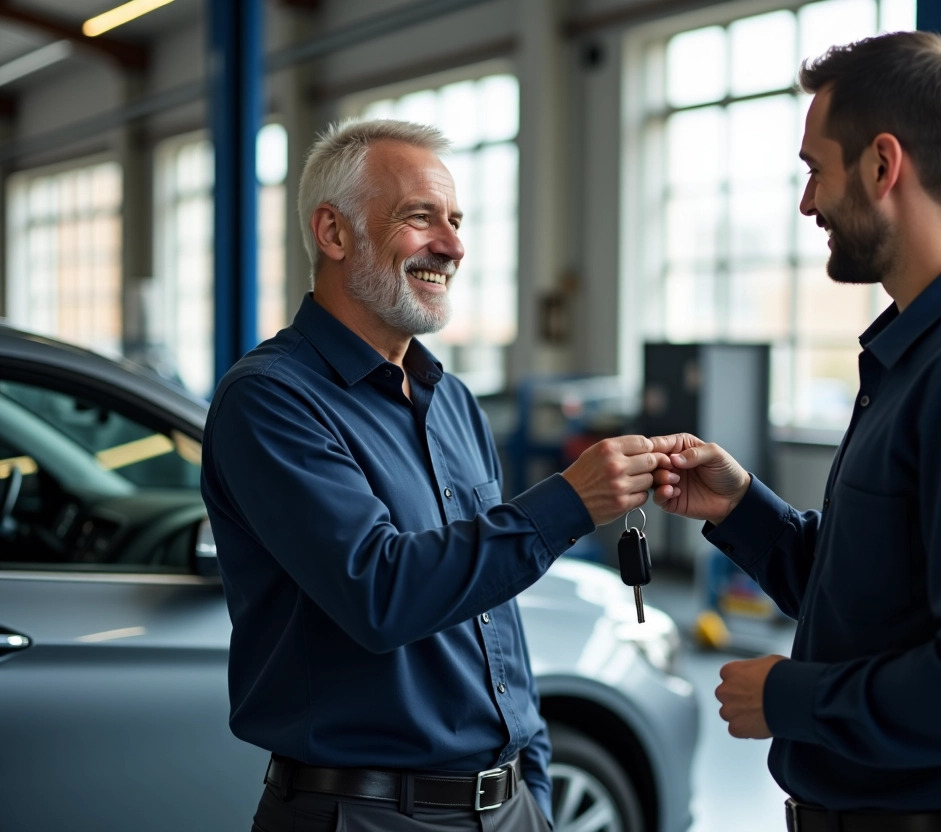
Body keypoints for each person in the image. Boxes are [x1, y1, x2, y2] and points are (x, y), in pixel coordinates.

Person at [651, 31, 941, 832]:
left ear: (881, 165)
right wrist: (740, 510)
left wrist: (790, 697)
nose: (807, 204)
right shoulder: (923, 355)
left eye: (814, 171)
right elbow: (875, 607)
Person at [200, 118, 662, 832]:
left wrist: (529, 778)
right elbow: (379, 593)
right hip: (366, 815)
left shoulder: (452, 401)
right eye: (420, 218)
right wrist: (570, 501)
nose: (452, 245)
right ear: (333, 233)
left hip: (506, 808)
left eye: (455, 221)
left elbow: (492, 613)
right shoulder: (270, 400)